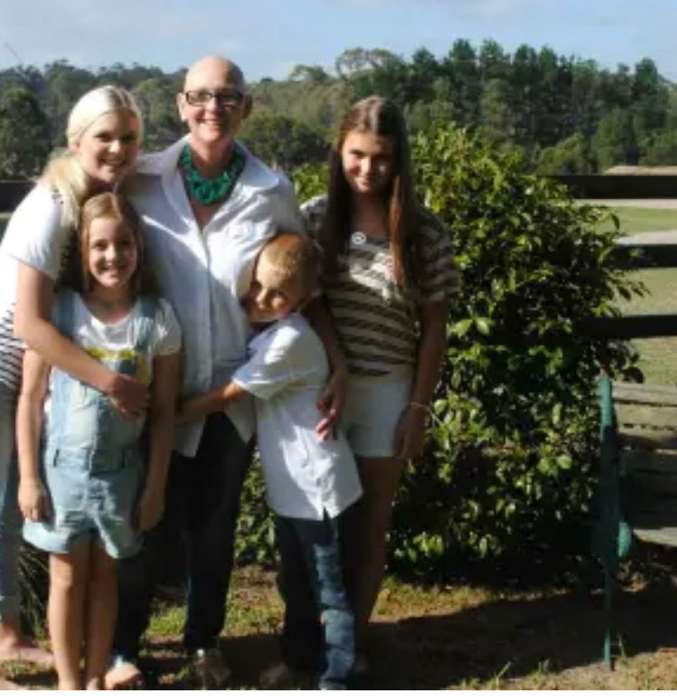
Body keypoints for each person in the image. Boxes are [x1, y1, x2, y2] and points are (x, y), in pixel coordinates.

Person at [108, 54, 347, 689]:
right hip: (146, 386)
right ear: (181, 104)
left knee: (212, 530)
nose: (213, 107)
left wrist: (337, 361)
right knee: (140, 521)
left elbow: (303, 282)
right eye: (201, 96)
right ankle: (121, 648)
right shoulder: (142, 179)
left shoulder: (272, 191)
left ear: (247, 106)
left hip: (228, 392)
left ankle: (202, 642)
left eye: (228, 96)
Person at [0, 85, 143, 691]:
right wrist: (110, 382)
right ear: (75, 140)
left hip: (17, 388)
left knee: (6, 518)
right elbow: (29, 324)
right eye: (104, 136)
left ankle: (6, 635)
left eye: (129, 138)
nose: (117, 148)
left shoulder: (89, 204)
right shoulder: (51, 207)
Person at [300, 95, 459, 676]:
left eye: (381, 157)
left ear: (399, 160)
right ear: (339, 152)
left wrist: (418, 406)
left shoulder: (424, 232)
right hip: (321, 392)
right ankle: (306, 643)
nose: (368, 169)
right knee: (316, 525)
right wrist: (336, 360)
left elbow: (435, 328)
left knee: (369, 527)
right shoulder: (315, 218)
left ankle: (352, 646)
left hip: (390, 391)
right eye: (357, 155)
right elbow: (304, 301)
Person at [178, 232, 361, 690]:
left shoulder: (291, 342)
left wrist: (168, 414)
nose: (261, 299)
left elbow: (227, 395)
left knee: (329, 592)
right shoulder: (273, 333)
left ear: (303, 300)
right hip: (291, 490)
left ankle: (336, 678)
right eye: (257, 285)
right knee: (294, 585)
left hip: (317, 490)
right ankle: (299, 662)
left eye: (278, 294)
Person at [17, 192, 181, 690]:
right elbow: (30, 398)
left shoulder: (157, 319)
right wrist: (28, 477)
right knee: (66, 578)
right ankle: (69, 682)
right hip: (61, 473)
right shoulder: (61, 312)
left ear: (139, 246)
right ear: (83, 252)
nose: (113, 256)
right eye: (100, 246)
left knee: (106, 579)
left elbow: (164, 413)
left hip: (121, 476)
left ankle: (94, 677)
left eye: (124, 244)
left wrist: (155, 487)